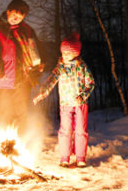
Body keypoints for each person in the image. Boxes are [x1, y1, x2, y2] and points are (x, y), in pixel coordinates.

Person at [32, 32, 95, 167]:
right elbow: (51, 80)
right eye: (63, 53)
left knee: (80, 131)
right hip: (65, 104)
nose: (65, 55)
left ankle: (80, 157)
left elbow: (91, 83)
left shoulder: (82, 67)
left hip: (80, 104)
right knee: (65, 130)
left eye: (68, 53)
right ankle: (65, 157)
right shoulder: (61, 67)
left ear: (76, 53)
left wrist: (83, 96)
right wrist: (42, 93)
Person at [0, 0, 45, 134]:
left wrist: (39, 65)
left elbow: (37, 49)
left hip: (23, 78)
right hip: (3, 77)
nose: (15, 19)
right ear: (8, 11)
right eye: (14, 15)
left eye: (19, 17)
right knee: (3, 111)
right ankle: (2, 142)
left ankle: (18, 142)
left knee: (20, 111)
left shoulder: (27, 30)